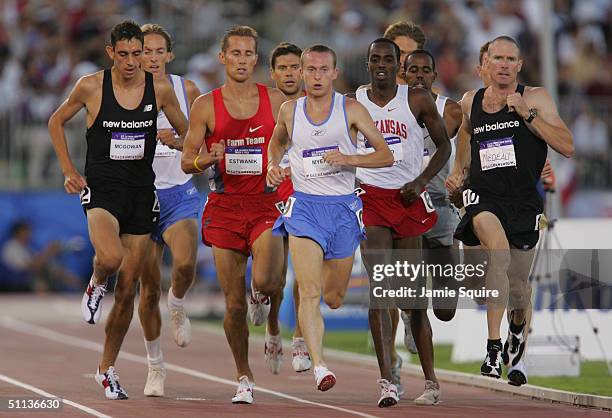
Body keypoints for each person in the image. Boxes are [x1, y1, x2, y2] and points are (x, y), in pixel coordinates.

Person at [48, 20, 188, 400]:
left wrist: (181, 142)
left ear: (145, 53)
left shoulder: (159, 88)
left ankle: (106, 369)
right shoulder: (91, 86)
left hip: (142, 193)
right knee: (110, 258)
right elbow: (56, 121)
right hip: (102, 191)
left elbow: (189, 131)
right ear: (111, 52)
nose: (131, 62)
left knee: (128, 291)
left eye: (137, 54)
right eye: (123, 54)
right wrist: (68, 170)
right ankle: (95, 283)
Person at [267, 44, 394, 393]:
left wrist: (349, 160)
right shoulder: (290, 110)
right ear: (302, 74)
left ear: (335, 73)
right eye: (311, 70)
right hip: (304, 208)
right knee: (308, 291)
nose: (317, 76)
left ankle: (304, 335)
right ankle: (320, 366)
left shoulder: (350, 109)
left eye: (324, 70)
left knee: (333, 296)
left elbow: (385, 156)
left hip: (341, 210)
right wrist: (273, 168)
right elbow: (277, 144)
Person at [445, 35, 573, 382]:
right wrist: (457, 177)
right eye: (496, 58)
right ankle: (492, 349)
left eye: (510, 59)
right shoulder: (470, 102)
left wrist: (527, 114)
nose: (503, 64)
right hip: (484, 197)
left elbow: (566, 145)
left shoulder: (536, 98)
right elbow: (464, 153)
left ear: (519, 65)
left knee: (518, 287)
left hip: (523, 202)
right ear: (483, 65)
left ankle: (517, 335)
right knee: (494, 260)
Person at [181, 25, 287, 404]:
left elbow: (298, 141)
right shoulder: (205, 105)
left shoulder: (275, 101)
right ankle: (243, 375)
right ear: (222, 58)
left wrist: (283, 164)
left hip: (265, 203)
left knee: (267, 281)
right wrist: (204, 158)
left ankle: (272, 320)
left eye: (248, 54)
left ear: (256, 59)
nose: (242, 61)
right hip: (224, 209)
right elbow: (185, 161)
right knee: (234, 303)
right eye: (235, 54)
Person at [354, 39, 450, 407]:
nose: (381, 65)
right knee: (379, 292)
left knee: (413, 301)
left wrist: (422, 180)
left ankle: (431, 381)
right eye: (375, 59)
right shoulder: (354, 102)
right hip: (371, 198)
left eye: (388, 60)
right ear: (367, 64)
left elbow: (443, 147)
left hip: (408, 200)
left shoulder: (417, 99)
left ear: (398, 64)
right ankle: (387, 381)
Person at [136, 23, 202, 398]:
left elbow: (200, 136)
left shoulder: (186, 89)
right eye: (146, 50)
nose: (153, 57)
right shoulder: (123, 91)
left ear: (169, 55)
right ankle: (154, 365)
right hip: (141, 198)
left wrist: (177, 140)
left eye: (159, 50)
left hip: (178, 192)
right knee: (147, 291)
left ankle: (177, 303)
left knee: (185, 265)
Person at [404, 49, 463, 323]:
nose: (418, 75)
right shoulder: (390, 109)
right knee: (411, 301)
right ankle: (410, 319)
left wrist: (463, 182)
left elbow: (467, 152)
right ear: (403, 74)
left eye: (425, 70)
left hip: (440, 208)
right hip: (405, 208)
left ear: (434, 76)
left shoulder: (450, 110)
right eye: (413, 69)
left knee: (445, 310)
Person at [269, 41, 312, 373]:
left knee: (302, 269)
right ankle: (271, 324)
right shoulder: (261, 103)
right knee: (272, 278)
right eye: (282, 68)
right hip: (264, 192)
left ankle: (299, 338)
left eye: (295, 67)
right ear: (273, 73)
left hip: (303, 191)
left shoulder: (318, 102)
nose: (289, 73)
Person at [0, 220, 81, 292]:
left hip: (31, 277)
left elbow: (41, 263)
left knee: (53, 268)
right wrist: (48, 252)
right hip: (16, 282)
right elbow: (32, 266)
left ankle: (78, 285)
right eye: (26, 232)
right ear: (18, 233)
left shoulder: (27, 247)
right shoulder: (11, 247)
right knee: (42, 283)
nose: (29, 234)